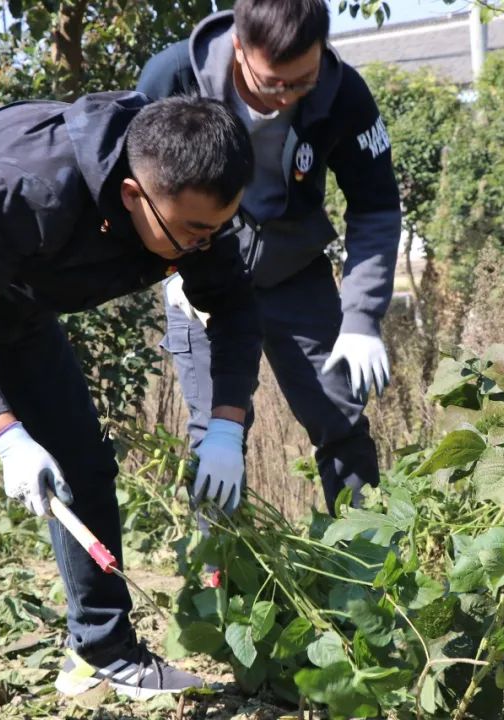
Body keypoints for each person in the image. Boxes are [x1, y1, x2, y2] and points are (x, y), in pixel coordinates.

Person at [0, 91, 259, 719]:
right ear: (132, 195)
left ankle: (103, 653)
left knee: (81, 458)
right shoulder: (30, 187)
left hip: (13, 288)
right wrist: (5, 433)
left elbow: (232, 305)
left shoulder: (197, 208)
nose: (204, 246)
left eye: (216, 229)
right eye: (192, 233)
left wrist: (227, 424)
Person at [137, 0, 402, 515]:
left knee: (340, 416)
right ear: (240, 46)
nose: (286, 99)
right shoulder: (172, 77)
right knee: (215, 435)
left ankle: (371, 564)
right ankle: (224, 580)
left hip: (293, 272)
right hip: (197, 276)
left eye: (301, 83)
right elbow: (130, 187)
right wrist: (167, 267)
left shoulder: (342, 90)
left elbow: (375, 206)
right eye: (273, 83)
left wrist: (362, 317)